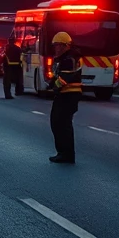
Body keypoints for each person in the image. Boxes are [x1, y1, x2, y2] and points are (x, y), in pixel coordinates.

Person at [48, 32, 83, 164]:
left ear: (65, 46)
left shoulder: (70, 59)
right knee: (57, 123)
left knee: (62, 124)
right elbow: (58, 75)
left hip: (69, 94)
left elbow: (65, 78)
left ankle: (66, 154)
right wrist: (51, 83)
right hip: (64, 94)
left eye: (57, 45)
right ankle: (62, 152)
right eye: (55, 46)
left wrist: (54, 87)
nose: (56, 48)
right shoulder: (63, 58)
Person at [2, 34, 25, 99]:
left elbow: (2, 56)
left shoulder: (5, 48)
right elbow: (22, 55)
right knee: (18, 80)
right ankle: (18, 92)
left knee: (7, 81)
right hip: (16, 66)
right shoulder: (18, 49)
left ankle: (8, 94)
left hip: (8, 67)